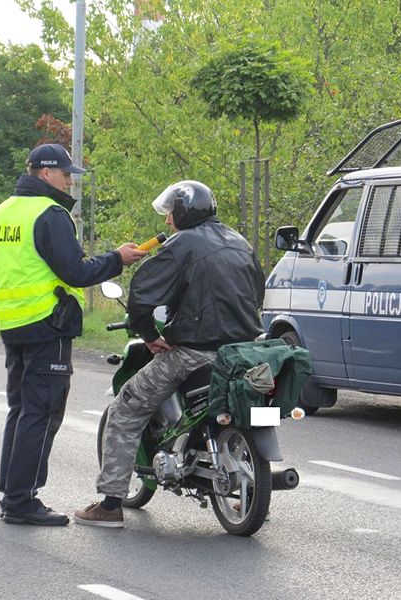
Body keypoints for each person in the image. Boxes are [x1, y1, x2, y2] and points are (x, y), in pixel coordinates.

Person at [73, 180, 266, 528]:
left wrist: (148, 335)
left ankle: (110, 504)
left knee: (125, 408)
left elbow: (143, 295)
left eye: (170, 214)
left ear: (183, 212)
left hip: (193, 352)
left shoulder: (181, 245)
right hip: (244, 353)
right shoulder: (241, 243)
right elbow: (256, 294)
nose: (166, 222)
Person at [0, 143, 147, 526]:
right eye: (65, 174)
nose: (70, 182)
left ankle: (12, 493)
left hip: (14, 324)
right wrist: (116, 259)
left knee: (21, 410)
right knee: (41, 413)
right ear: (45, 173)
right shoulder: (49, 213)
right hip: (48, 324)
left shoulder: (2, 212)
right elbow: (75, 272)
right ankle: (22, 502)